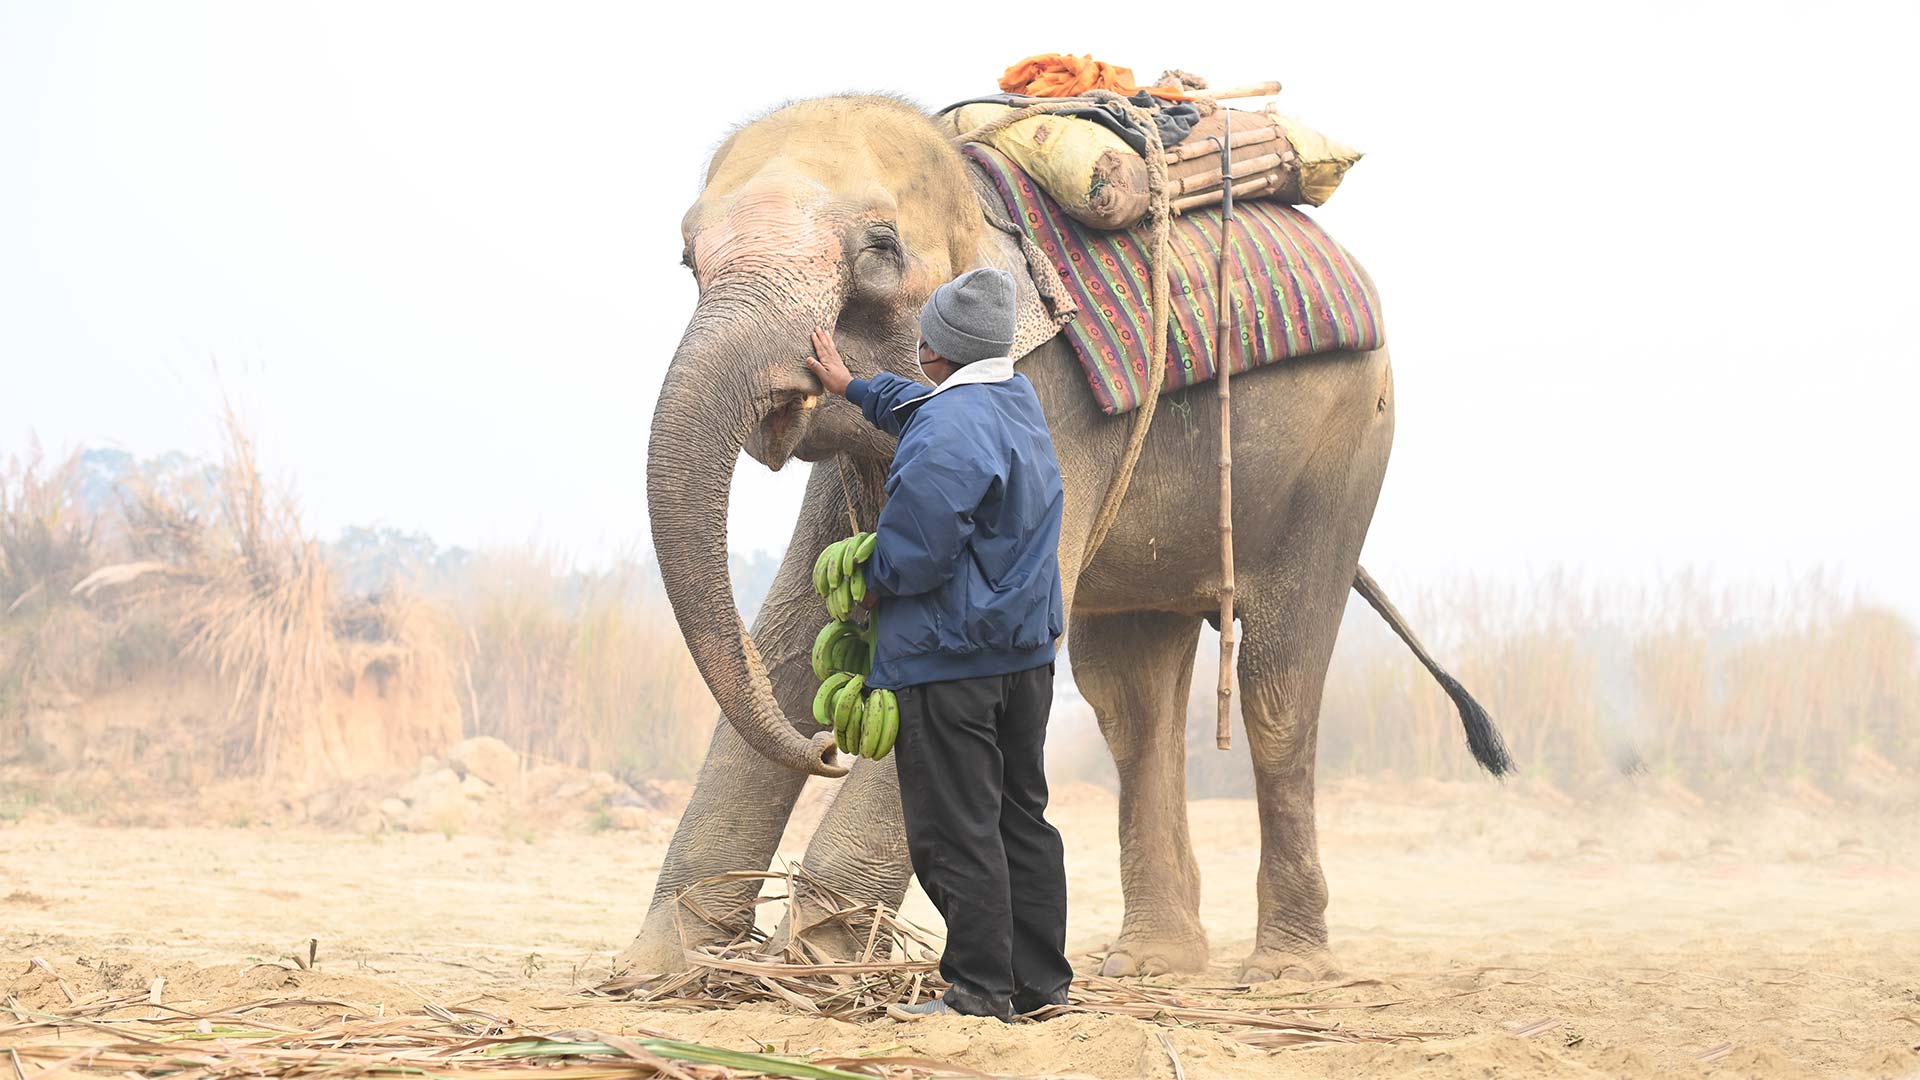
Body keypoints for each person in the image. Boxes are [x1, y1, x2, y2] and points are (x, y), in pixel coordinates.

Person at [804, 267, 1073, 1022]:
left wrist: (866, 580)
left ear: (941, 352)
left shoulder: (949, 430)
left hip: (953, 663)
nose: (917, 350)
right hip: (1022, 659)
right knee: (1021, 817)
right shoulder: (1013, 403)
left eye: (925, 340)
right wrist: (853, 387)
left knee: (955, 830)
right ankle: (1039, 985)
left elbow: (916, 553)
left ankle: (980, 992)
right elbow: (927, 412)